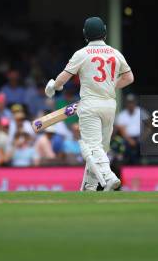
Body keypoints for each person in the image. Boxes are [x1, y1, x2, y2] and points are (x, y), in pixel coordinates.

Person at [45, 16, 134, 191]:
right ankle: (90, 185)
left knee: (92, 147)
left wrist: (53, 87)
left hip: (90, 105)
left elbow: (65, 75)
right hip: (109, 104)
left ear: (85, 34)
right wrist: (109, 86)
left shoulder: (82, 53)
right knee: (100, 149)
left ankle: (109, 177)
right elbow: (129, 78)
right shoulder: (115, 53)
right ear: (105, 33)